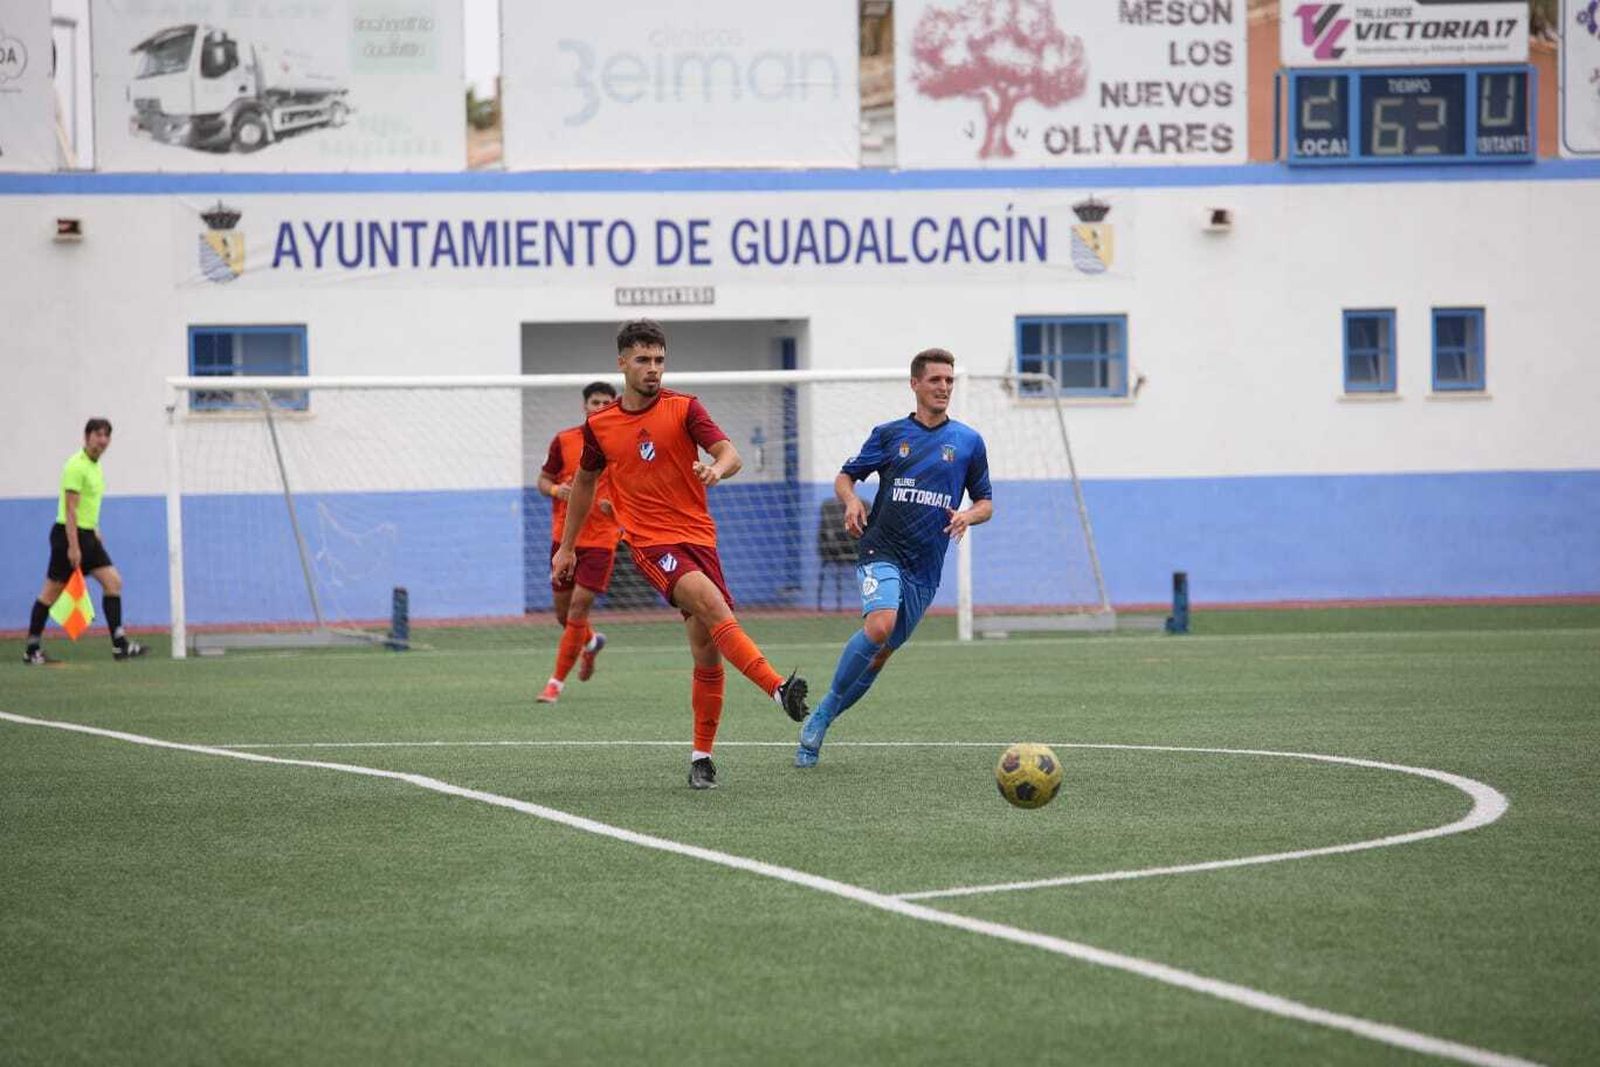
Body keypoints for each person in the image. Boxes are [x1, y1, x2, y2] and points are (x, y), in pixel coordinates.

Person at [553, 319, 809, 789]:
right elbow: (585, 484)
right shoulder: (600, 425)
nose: (653, 369)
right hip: (652, 544)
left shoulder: (686, 408)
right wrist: (567, 546)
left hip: (700, 540)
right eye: (643, 360)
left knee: (707, 653)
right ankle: (777, 688)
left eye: (659, 360)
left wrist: (718, 469)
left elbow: (730, 453)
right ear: (622, 363)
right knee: (712, 606)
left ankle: (701, 759)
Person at [794, 349, 992, 768]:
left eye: (949, 381)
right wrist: (850, 502)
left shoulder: (968, 442)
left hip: (926, 565)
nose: (944, 387)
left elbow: (986, 502)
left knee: (881, 655)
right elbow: (845, 477)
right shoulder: (889, 435)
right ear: (915, 384)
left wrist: (967, 516)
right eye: (936, 380)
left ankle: (822, 722)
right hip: (880, 546)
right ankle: (823, 711)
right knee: (879, 625)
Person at [23, 418, 148, 664]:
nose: (102, 440)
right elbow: (70, 510)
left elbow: (89, 506)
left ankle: (119, 646)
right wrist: (73, 545)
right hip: (69, 536)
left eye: (106, 436)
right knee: (51, 593)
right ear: (87, 436)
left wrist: (95, 530)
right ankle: (31, 649)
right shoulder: (75, 466)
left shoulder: (96, 466)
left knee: (113, 582)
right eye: (97, 435)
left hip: (88, 535)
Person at [535, 381, 622, 705]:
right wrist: (558, 491)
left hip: (602, 540)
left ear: (613, 405)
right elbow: (543, 481)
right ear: (585, 406)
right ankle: (592, 641)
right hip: (564, 540)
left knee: (577, 608)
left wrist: (618, 514)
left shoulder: (621, 443)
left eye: (605, 403)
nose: (600, 408)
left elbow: (631, 487)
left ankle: (554, 683)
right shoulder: (564, 440)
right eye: (595, 402)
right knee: (563, 614)